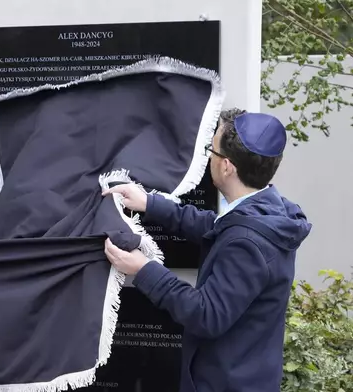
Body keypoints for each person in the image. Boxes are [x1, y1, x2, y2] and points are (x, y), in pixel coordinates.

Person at [102, 109, 312, 392]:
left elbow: (207, 315)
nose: (208, 157)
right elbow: (217, 226)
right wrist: (151, 204)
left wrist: (144, 270)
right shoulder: (267, 211)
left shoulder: (248, 242)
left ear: (227, 166)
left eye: (210, 149)